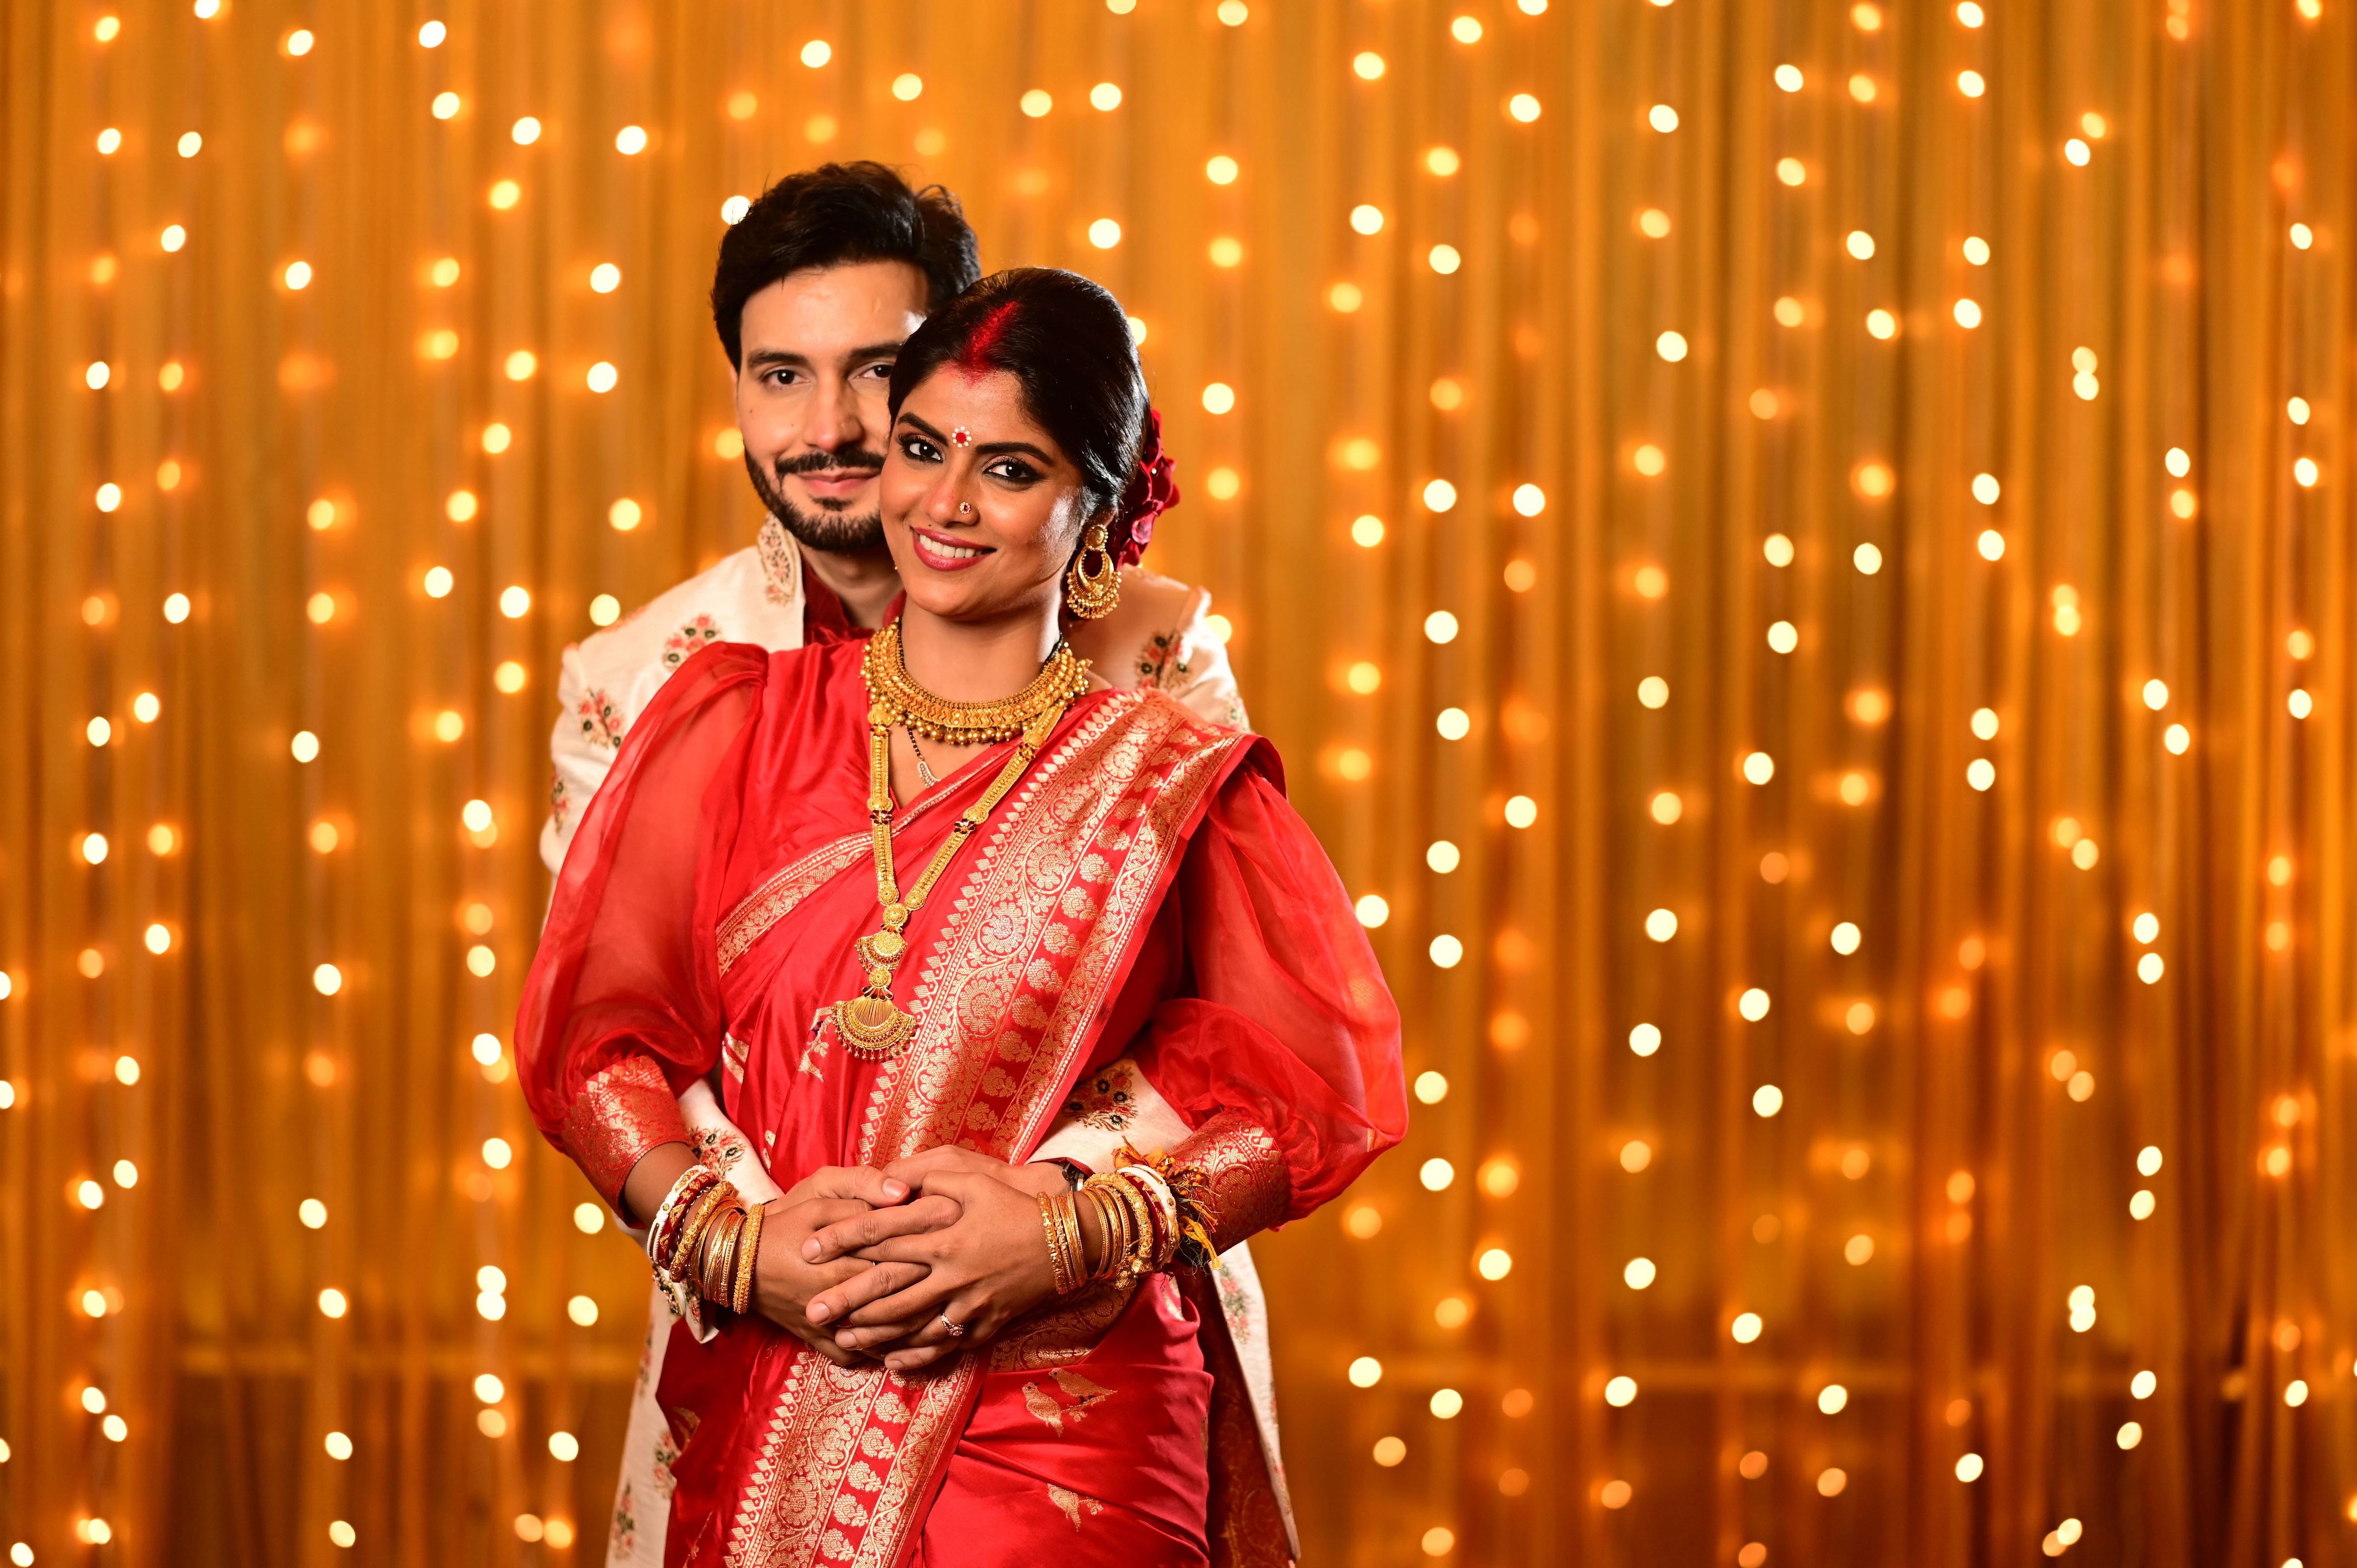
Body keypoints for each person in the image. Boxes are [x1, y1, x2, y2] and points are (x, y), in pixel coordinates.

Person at [517, 268, 1405, 1567]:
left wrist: (1071, 1232)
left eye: (1010, 470)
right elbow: (603, 1046)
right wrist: (734, 1244)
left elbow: (1303, 1090)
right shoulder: (732, 724)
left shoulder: (1172, 778)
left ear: (1097, 511)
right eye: (924, 448)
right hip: (779, 1371)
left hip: (1074, 1410)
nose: (944, 502)